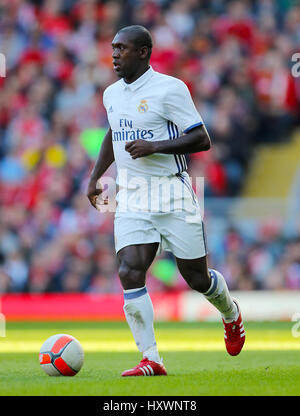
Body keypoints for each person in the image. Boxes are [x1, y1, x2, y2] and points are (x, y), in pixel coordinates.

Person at [87, 25, 245, 377]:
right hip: (131, 194)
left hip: (173, 191)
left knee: (196, 278)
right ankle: (151, 358)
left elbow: (201, 138)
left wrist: (154, 147)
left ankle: (231, 313)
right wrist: (96, 175)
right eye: (112, 48)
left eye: (122, 48)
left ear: (143, 52)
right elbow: (114, 133)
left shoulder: (170, 89)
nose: (114, 54)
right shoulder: (111, 94)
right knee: (129, 269)